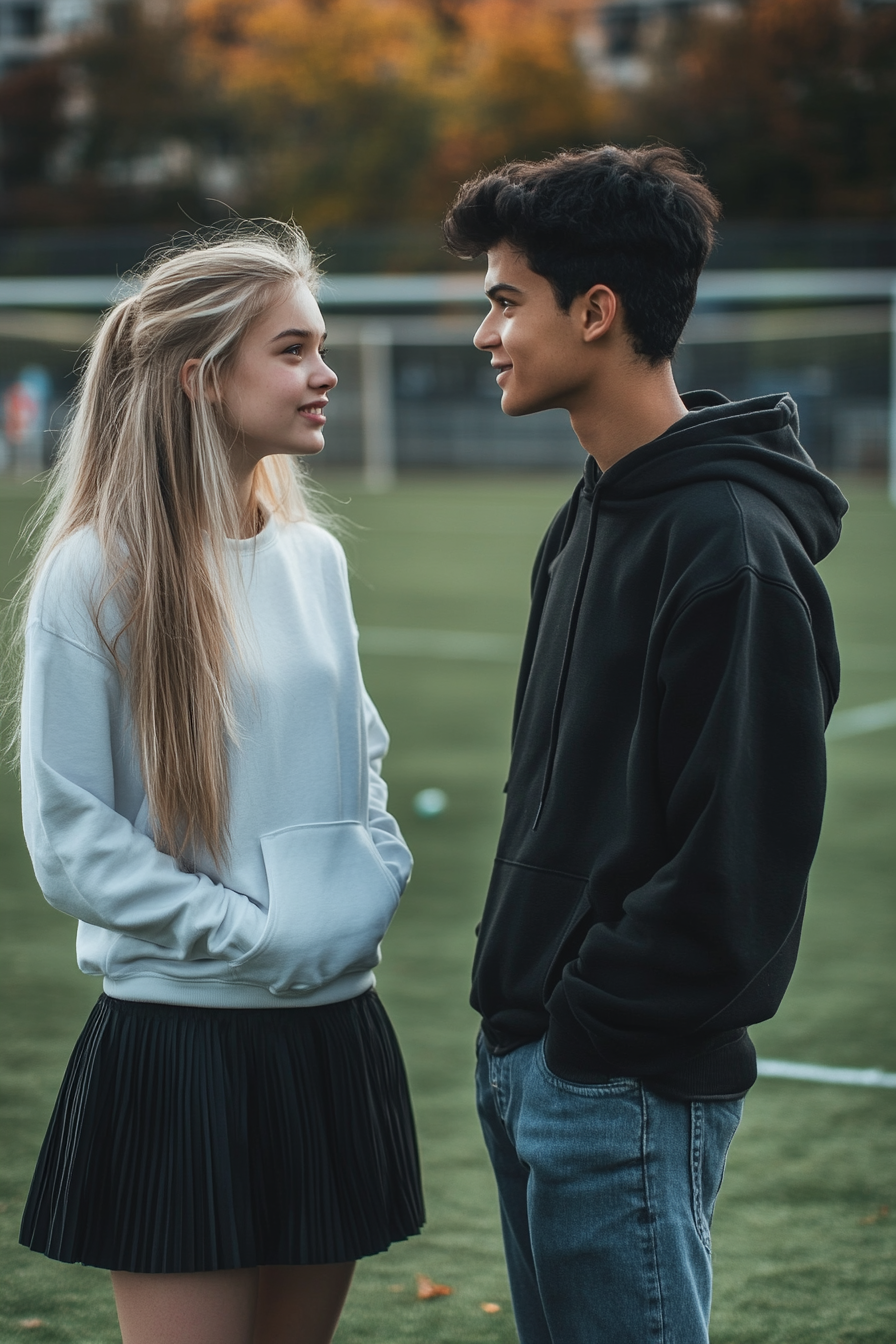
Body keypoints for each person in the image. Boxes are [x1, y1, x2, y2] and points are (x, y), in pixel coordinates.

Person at [442, 146, 847, 1344]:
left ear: (596, 311)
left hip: (614, 1078)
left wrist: (591, 1033)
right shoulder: (589, 512)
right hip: (532, 1054)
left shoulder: (727, 544)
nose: (485, 334)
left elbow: (741, 862)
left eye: (504, 299)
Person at [17, 225, 423, 1344]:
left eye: (320, 346)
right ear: (202, 377)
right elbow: (71, 841)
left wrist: (371, 877)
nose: (324, 371)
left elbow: (363, 756)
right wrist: (252, 939)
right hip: (179, 1050)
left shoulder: (313, 559)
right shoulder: (94, 574)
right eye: (292, 349)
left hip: (333, 1031)